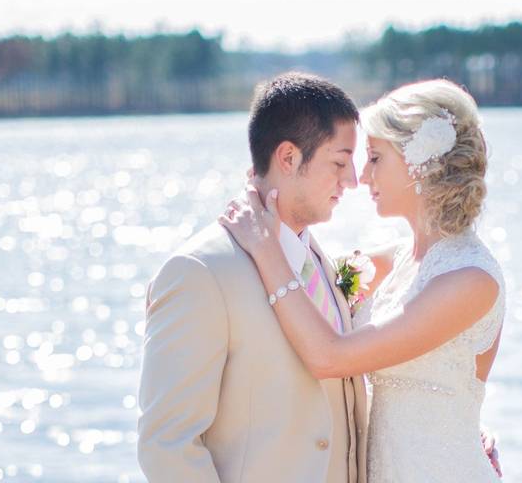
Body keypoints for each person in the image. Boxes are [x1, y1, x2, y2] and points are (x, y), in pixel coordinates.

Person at [137, 72, 500, 483]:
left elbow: (337, 361)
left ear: (423, 166)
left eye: (372, 160)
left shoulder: (452, 276)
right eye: (341, 162)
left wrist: (457, 431)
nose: (356, 180)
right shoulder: (203, 272)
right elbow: (166, 445)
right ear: (289, 158)